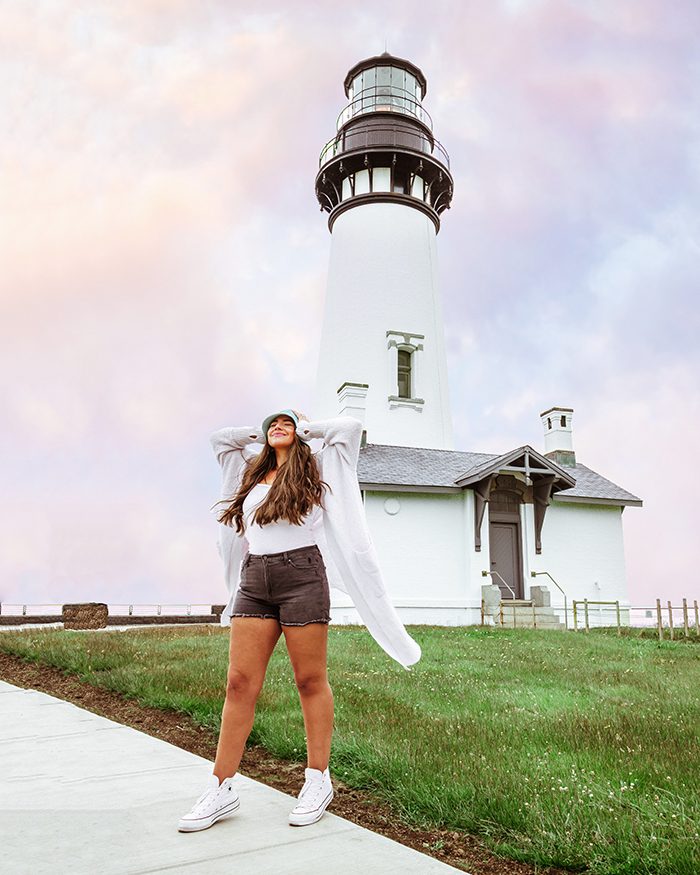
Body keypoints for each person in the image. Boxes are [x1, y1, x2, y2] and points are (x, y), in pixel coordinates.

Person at [178, 410, 420, 833]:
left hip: (303, 575)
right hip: (254, 577)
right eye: (273, 422)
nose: (278, 426)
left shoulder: (318, 464)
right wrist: (270, 430)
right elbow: (220, 439)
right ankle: (221, 787)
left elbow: (349, 429)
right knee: (239, 683)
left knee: (309, 680)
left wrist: (301, 428)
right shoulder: (250, 470)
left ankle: (317, 780)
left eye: (286, 422)